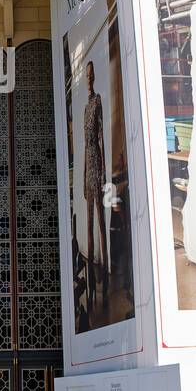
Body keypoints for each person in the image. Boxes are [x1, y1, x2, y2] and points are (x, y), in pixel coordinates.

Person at [82, 60, 108, 305]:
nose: (88, 79)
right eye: (85, 75)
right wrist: (83, 178)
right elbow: (84, 145)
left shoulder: (98, 101)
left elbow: (100, 139)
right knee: (89, 225)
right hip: (88, 168)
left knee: (100, 223)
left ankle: (106, 277)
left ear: (94, 76)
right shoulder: (85, 107)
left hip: (97, 166)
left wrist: (103, 176)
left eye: (90, 74)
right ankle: (90, 280)